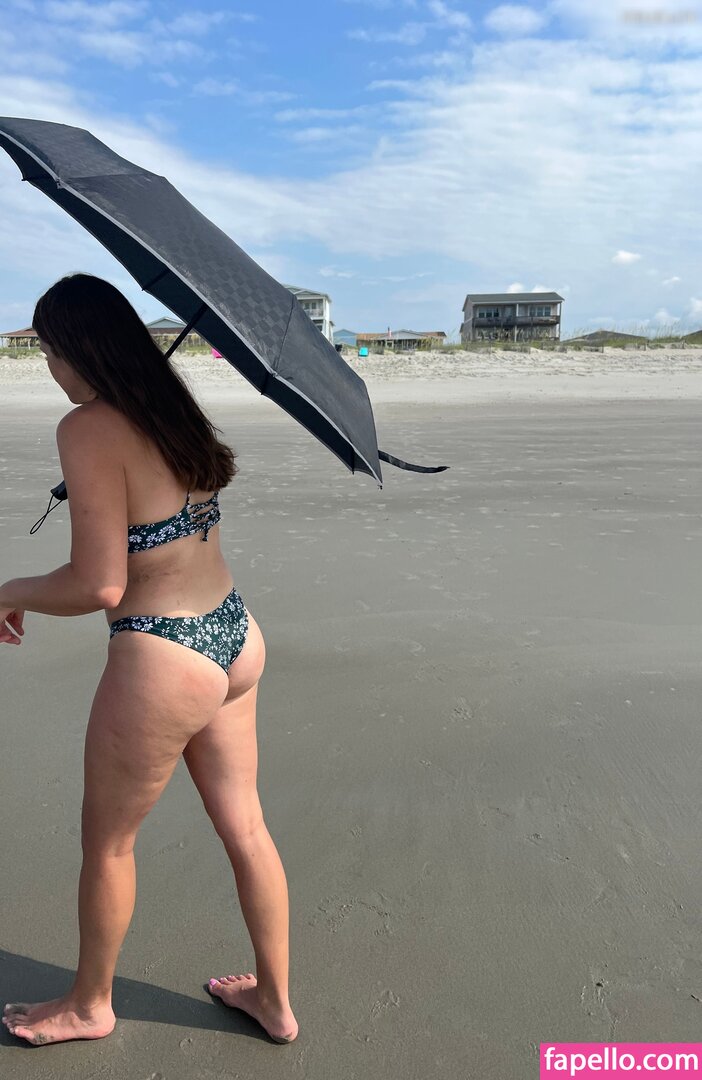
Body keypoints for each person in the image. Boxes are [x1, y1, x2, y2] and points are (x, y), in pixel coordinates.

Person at [0, 274, 298, 1047]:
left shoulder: (88, 428)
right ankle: (274, 1000)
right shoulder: (171, 408)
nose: (50, 369)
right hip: (234, 633)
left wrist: (9, 590)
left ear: (78, 349)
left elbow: (98, 584)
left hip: (164, 655)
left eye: (50, 351)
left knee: (108, 845)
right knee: (247, 828)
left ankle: (89, 1005)